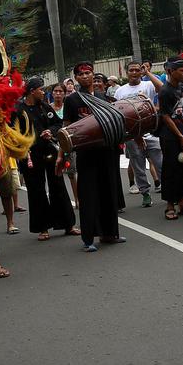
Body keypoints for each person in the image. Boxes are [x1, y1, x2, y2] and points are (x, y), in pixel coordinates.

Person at [61, 62, 126, 252]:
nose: (85, 77)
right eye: (80, 74)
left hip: (106, 152)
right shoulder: (72, 100)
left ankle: (110, 233)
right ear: (76, 78)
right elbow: (66, 128)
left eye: (88, 73)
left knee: (109, 191)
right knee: (89, 195)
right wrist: (62, 154)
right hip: (86, 154)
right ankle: (88, 239)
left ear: (93, 75)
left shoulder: (103, 98)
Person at [18, 77, 80, 240]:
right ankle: (42, 227)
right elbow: (14, 133)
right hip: (31, 155)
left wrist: (50, 132)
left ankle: (68, 224)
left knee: (58, 185)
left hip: (49, 152)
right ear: (32, 91)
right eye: (41, 90)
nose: (44, 92)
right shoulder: (18, 109)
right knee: (36, 190)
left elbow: (58, 124)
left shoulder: (45, 107)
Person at [113, 62, 162, 208]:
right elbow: (118, 114)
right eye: (131, 70)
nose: (134, 73)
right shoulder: (120, 91)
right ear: (127, 73)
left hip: (151, 133)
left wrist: (148, 73)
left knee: (160, 163)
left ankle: (169, 190)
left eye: (137, 70)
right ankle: (145, 193)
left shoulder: (148, 86)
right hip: (132, 136)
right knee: (138, 165)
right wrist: (135, 136)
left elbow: (161, 88)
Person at [157, 59, 183, 219]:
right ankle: (169, 206)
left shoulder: (181, 88)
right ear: (170, 71)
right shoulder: (165, 91)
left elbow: (182, 112)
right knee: (171, 170)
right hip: (170, 137)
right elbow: (166, 116)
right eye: (181, 71)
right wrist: (179, 136)